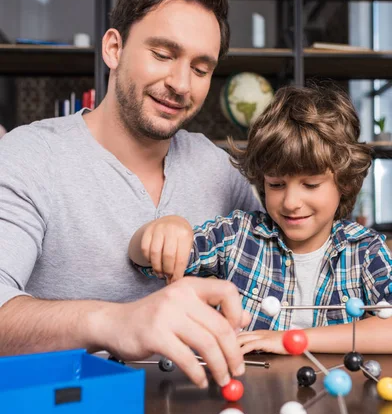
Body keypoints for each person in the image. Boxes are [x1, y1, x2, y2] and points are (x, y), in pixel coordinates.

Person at [0, 0, 260, 387]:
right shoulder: (28, 157)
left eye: (200, 68)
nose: (180, 84)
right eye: (162, 55)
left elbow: (289, 250)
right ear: (114, 49)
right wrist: (117, 322)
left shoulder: (217, 168)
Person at [129, 83, 392, 355]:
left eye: (311, 185)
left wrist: (290, 339)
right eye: (277, 185)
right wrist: (164, 230)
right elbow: (144, 260)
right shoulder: (237, 236)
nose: (291, 203)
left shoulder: (364, 250)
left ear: (344, 183)